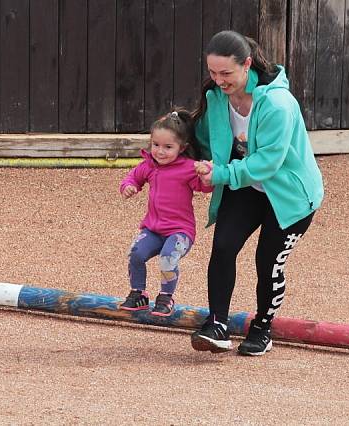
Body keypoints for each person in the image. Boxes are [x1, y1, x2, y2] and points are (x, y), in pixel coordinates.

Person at [189, 30, 325, 356]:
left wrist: (220, 174)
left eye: (226, 73)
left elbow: (266, 163)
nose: (218, 80)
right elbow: (207, 140)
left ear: (247, 64)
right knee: (223, 247)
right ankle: (217, 325)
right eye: (212, 72)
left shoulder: (278, 104)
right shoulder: (217, 97)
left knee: (268, 261)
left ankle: (263, 328)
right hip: (246, 186)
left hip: (290, 196)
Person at [119, 109, 213, 317]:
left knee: (167, 258)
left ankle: (166, 297)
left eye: (168, 147)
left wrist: (207, 173)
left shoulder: (189, 168)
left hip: (180, 232)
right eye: (156, 145)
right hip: (153, 229)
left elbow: (205, 187)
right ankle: (138, 294)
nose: (160, 152)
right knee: (135, 253)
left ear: (182, 148)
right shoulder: (149, 166)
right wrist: (128, 187)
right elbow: (132, 178)